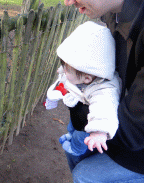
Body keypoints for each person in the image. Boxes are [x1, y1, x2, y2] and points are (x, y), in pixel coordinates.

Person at [62, 0, 144, 182]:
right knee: (75, 148)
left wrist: (77, 109)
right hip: (115, 113)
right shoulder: (110, 13)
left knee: (85, 176)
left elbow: (133, 132)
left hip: (137, 143)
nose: (67, 0)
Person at [45, 21, 121, 157]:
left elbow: (105, 108)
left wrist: (99, 131)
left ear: (86, 78)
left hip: (90, 122)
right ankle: (70, 135)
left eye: (66, 69)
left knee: (80, 137)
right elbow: (72, 69)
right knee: (72, 126)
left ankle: (75, 149)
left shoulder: (103, 88)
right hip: (77, 112)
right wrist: (64, 69)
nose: (63, 71)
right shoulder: (84, 73)